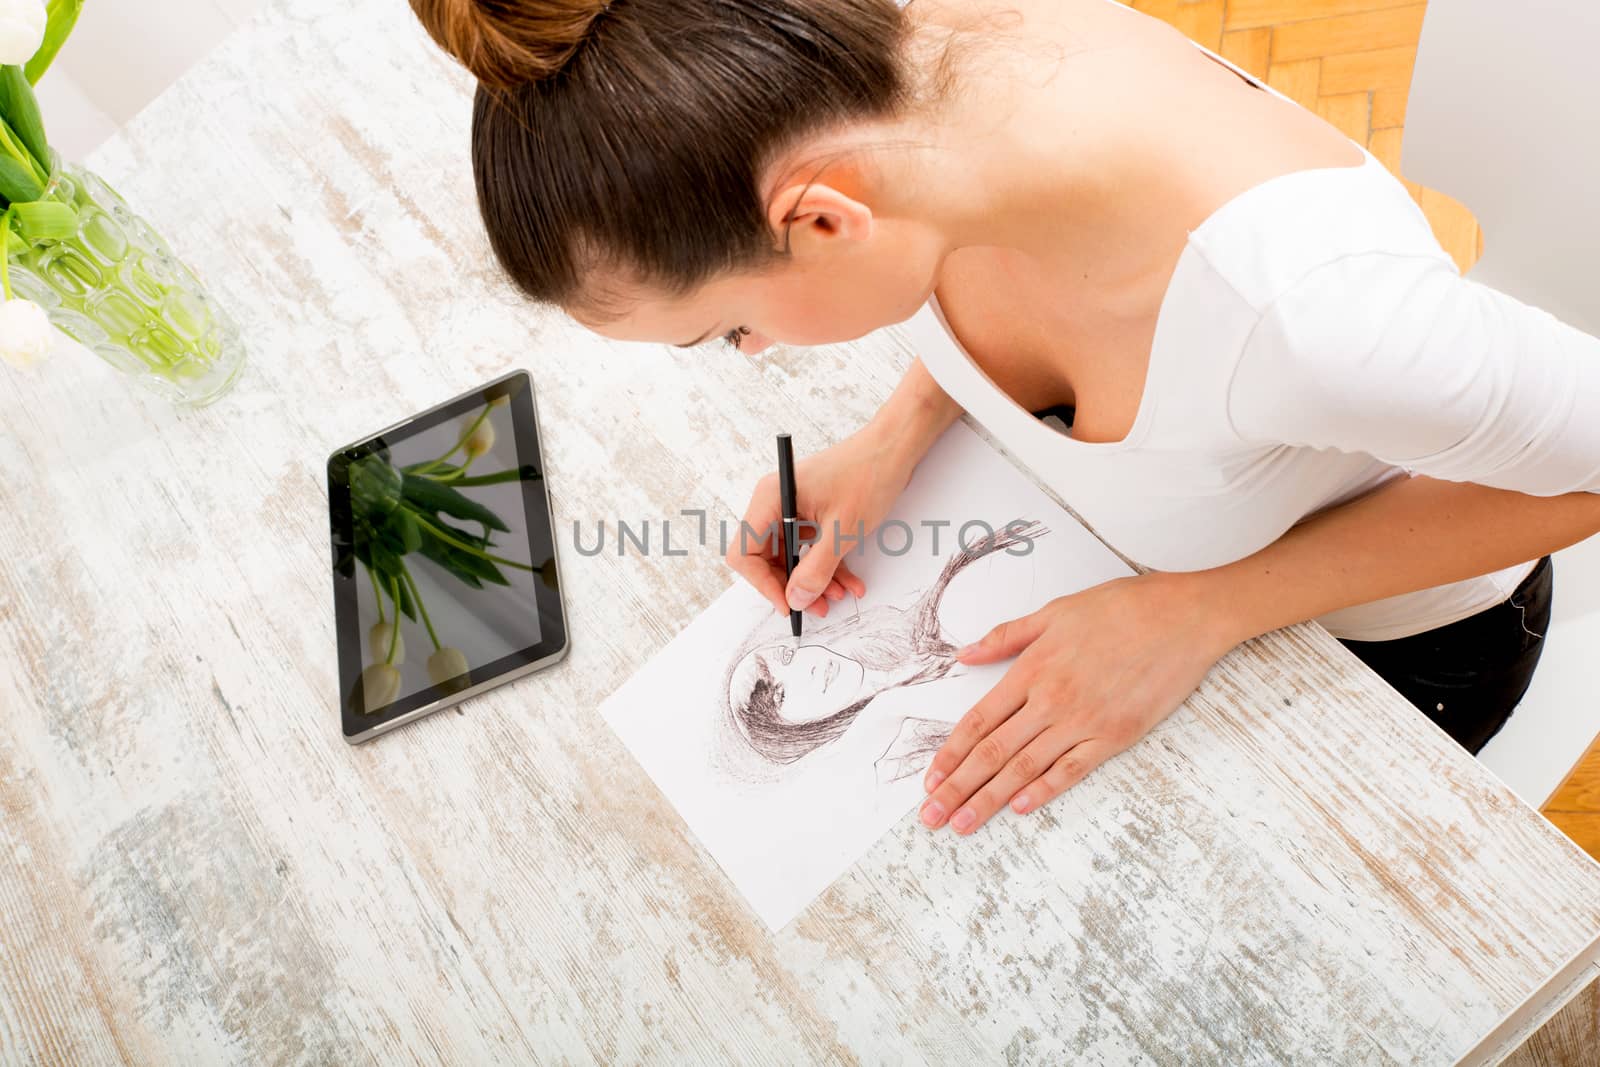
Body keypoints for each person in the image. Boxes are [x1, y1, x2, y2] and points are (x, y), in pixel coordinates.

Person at [408, 0, 1600, 837]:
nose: (756, 355)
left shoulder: (1311, 318)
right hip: (1125, 566)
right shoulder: (903, 80)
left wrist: (1203, 610)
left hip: (1385, 655)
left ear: (823, 220)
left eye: (726, 330)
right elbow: (990, 265)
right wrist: (897, 433)